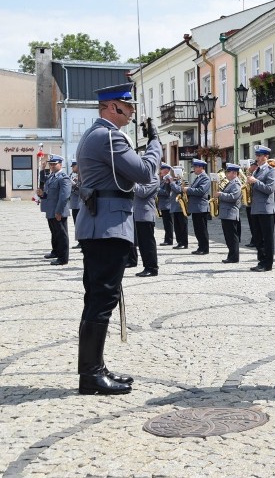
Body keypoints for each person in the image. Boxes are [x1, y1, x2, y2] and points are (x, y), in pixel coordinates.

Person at [74, 82, 161, 395]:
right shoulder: (109, 136)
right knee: (101, 300)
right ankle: (91, 375)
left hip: (101, 225)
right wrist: (155, 143)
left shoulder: (96, 135)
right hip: (107, 228)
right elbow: (145, 172)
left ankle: (94, 369)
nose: (133, 112)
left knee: (98, 299)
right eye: (128, 106)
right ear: (112, 107)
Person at [38, 154, 71, 266]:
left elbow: (64, 196)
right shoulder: (52, 176)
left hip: (58, 211)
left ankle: (63, 258)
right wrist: (42, 195)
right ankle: (56, 252)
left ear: (60, 164)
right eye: (50, 164)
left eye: (54, 164)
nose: (51, 166)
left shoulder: (63, 177)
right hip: (51, 210)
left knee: (62, 235)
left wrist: (59, 211)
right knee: (55, 233)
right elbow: (47, 191)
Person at [248, 146, 275, 272]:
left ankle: (267, 264)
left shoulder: (271, 171)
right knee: (258, 237)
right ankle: (261, 261)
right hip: (255, 208)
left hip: (266, 209)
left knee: (267, 238)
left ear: (266, 156)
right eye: (257, 155)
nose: (257, 158)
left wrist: (255, 182)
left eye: (259, 155)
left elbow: (270, 189)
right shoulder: (256, 171)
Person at [131, 173, 159, 277]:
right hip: (138, 214)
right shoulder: (142, 178)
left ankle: (152, 268)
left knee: (148, 243)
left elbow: (143, 192)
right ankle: (147, 266)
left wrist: (132, 182)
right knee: (142, 244)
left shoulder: (153, 178)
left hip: (146, 214)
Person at [215, 163, 243, 264]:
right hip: (226, 213)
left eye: (229, 172)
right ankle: (231, 255)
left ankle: (234, 257)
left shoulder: (236, 183)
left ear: (234, 173)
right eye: (227, 172)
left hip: (231, 213)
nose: (227, 174)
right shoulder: (230, 182)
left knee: (232, 237)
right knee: (228, 236)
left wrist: (221, 194)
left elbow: (233, 197)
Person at [185, 159, 210, 255]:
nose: (194, 169)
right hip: (196, 208)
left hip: (201, 207)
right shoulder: (198, 177)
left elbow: (201, 191)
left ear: (200, 167)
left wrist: (188, 190)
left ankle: (204, 248)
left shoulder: (205, 178)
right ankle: (200, 247)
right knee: (197, 229)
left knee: (202, 229)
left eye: (195, 167)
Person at [168, 167, 189, 250]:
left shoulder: (184, 182)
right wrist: (168, 183)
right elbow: (167, 191)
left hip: (181, 207)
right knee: (177, 227)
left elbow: (179, 190)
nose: (175, 174)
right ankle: (179, 242)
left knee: (183, 226)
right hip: (174, 207)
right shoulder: (175, 182)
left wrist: (172, 183)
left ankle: (184, 243)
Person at [157, 164, 174, 246]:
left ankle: (169, 240)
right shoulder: (163, 179)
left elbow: (167, 193)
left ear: (166, 170)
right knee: (166, 224)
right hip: (164, 205)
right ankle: (167, 239)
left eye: (162, 169)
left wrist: (157, 190)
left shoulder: (168, 179)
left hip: (167, 205)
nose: (160, 171)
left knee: (168, 224)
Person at [245, 160, 259, 248]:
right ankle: (254, 239)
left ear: (255, 166)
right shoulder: (251, 175)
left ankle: (255, 240)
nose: (250, 167)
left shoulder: (256, 175)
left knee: (255, 224)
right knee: (251, 224)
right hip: (249, 203)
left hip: (254, 203)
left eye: (252, 166)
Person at [69, 161, 81, 249]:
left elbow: (81, 191)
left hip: (79, 205)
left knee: (79, 224)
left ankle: (82, 242)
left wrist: (73, 185)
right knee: (76, 224)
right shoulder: (76, 176)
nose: (72, 168)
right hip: (74, 205)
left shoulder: (82, 176)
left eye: (74, 166)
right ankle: (80, 241)